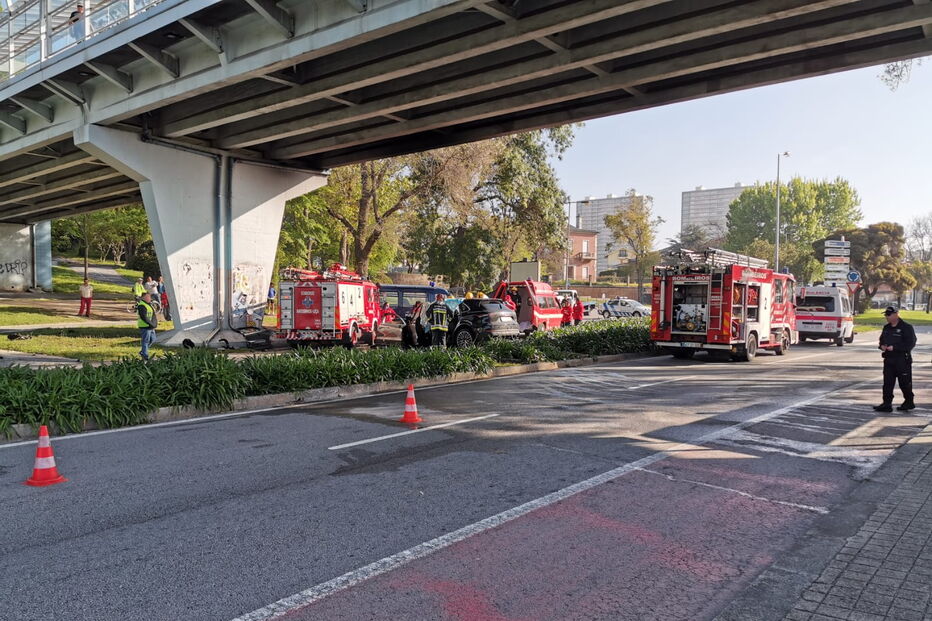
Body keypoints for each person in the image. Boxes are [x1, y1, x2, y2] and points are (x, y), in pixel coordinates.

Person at [874, 306, 916, 412]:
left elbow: (910, 343)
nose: (886, 317)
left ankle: (909, 402)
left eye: (889, 315)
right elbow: (881, 340)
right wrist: (882, 346)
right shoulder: (887, 328)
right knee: (887, 383)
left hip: (902, 360)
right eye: (886, 315)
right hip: (889, 359)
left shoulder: (906, 327)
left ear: (896, 314)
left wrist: (896, 348)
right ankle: (887, 403)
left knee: (904, 382)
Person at [137, 292, 158, 361]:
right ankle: (145, 355)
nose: (150, 298)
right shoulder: (142, 305)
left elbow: (153, 314)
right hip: (145, 326)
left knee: (153, 339)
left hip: (150, 326)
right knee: (145, 341)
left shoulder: (148, 304)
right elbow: (144, 317)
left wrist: (154, 324)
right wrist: (151, 324)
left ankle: (143, 351)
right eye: (148, 297)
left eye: (149, 297)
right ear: (143, 298)